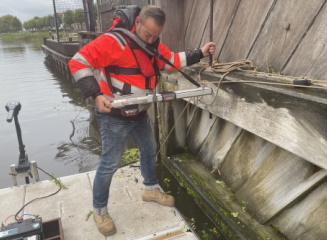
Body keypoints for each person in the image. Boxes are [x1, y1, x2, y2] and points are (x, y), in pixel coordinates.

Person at [68, 5, 216, 236]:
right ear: (137, 22)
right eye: (147, 33)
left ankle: (150, 189)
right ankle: (99, 210)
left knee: (149, 149)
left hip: (139, 114)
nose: (150, 39)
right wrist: (95, 95)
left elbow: (171, 61)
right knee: (109, 164)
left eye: (155, 35)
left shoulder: (153, 44)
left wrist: (201, 52)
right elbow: (78, 62)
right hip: (113, 116)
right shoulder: (113, 41)